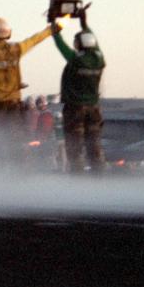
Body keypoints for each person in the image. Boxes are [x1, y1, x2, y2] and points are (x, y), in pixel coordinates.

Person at [0, 17, 57, 167]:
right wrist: (50, 30)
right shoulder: (16, 49)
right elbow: (34, 40)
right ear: (8, 34)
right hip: (13, 106)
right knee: (16, 142)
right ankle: (19, 178)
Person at [53, 24, 107, 174]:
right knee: (94, 146)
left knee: (74, 147)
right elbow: (96, 45)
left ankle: (78, 182)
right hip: (94, 109)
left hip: (75, 109)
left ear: (79, 44)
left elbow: (62, 47)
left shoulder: (76, 60)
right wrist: (84, 23)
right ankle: (99, 179)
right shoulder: (99, 58)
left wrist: (56, 34)